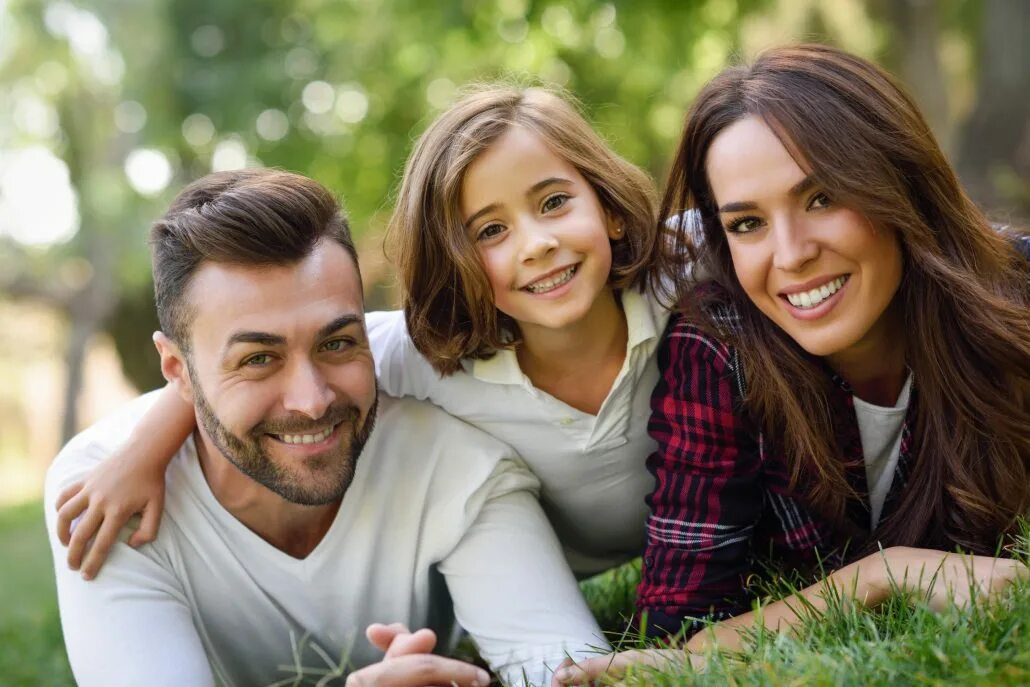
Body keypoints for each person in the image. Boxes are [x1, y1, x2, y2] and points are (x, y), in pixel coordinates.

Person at [53, 85, 679, 579]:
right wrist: (142, 456)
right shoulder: (425, 356)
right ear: (452, 262)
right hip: (525, 569)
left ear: (608, 207)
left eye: (554, 203)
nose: (537, 245)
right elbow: (254, 364)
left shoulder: (686, 277)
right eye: (490, 231)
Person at [553, 43, 1029, 684]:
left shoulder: (1014, 298)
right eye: (747, 223)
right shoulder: (719, 349)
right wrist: (880, 574)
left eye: (823, 197)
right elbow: (676, 635)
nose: (791, 254)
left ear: (900, 181)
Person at [44, 169, 605, 687]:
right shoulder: (103, 496)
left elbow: (567, 671)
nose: (312, 401)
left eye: (337, 344)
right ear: (177, 371)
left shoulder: (458, 466)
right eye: (258, 359)